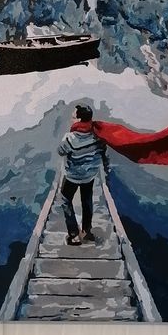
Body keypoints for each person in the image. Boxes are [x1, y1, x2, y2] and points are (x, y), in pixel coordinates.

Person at [57, 104, 108, 246]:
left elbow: (61, 151)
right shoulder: (97, 135)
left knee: (65, 199)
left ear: (79, 120)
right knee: (87, 200)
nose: (71, 119)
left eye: (73, 117)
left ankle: (74, 235)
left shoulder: (70, 138)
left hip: (72, 176)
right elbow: (103, 150)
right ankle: (86, 231)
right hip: (89, 175)